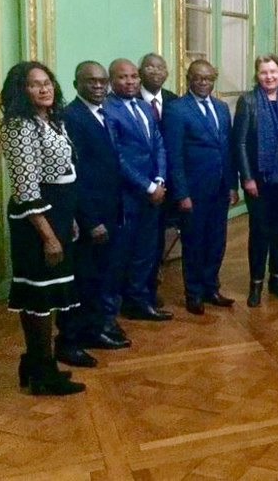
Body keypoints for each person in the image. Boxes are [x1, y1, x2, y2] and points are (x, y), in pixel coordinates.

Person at [0, 61, 85, 395]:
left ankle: (37, 363)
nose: (44, 89)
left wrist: (69, 220)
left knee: (49, 294)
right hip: (35, 222)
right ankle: (40, 368)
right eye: (35, 84)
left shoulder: (51, 120)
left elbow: (63, 172)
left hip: (59, 215)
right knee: (39, 295)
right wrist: (49, 236)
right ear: (21, 90)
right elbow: (26, 188)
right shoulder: (18, 127)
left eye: (47, 82)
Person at [60, 61, 131, 368]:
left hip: (110, 209)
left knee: (101, 276)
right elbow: (77, 175)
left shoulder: (102, 113)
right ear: (77, 84)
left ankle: (94, 330)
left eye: (103, 82)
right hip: (91, 217)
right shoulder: (72, 117)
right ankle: (71, 340)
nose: (99, 87)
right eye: (92, 82)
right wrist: (91, 220)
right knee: (84, 280)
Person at [164, 60, 238, 315]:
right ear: (188, 79)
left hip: (219, 187)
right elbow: (173, 156)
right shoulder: (177, 109)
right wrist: (181, 193)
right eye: (198, 78)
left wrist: (231, 184)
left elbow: (226, 149)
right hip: (193, 190)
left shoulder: (220, 108)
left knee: (217, 240)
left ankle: (211, 287)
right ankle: (193, 292)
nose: (203, 82)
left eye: (208, 78)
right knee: (194, 242)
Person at [103, 58, 173, 321]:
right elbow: (116, 156)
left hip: (154, 194)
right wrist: (146, 186)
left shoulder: (144, 108)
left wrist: (160, 180)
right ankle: (109, 313)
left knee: (146, 251)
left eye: (133, 76)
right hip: (126, 196)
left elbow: (159, 145)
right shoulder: (108, 110)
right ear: (112, 80)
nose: (130, 81)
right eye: (123, 77)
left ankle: (139, 301)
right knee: (119, 255)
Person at [232, 53, 278, 307]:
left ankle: (276, 278)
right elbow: (240, 142)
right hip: (257, 179)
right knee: (259, 231)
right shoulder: (247, 101)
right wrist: (246, 178)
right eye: (264, 72)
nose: (269, 76)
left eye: (273, 72)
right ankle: (256, 282)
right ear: (257, 76)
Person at [138, 53, 178, 306]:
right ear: (141, 71)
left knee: (159, 236)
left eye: (160, 67)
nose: (155, 71)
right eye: (149, 67)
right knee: (140, 239)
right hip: (137, 183)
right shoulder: (126, 100)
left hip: (169, 182)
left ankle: (152, 284)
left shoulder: (174, 101)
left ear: (167, 72)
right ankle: (137, 290)